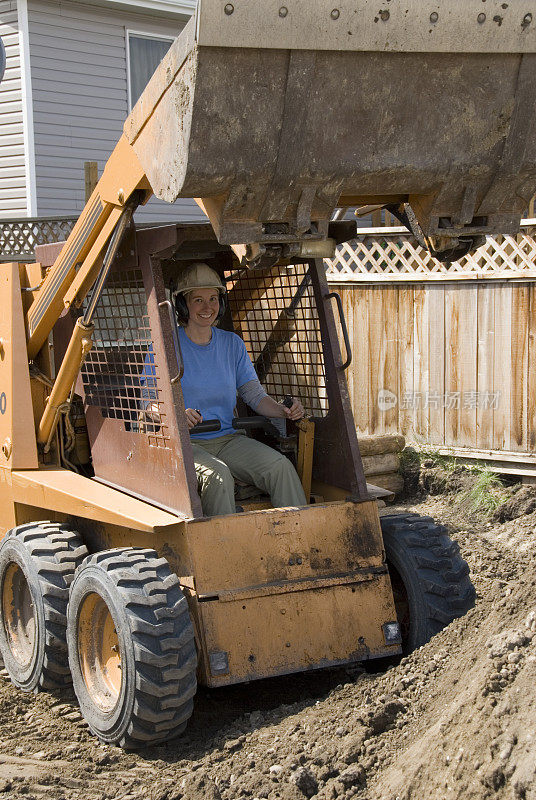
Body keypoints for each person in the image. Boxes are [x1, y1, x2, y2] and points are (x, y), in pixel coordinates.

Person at [145, 262, 308, 517]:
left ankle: (303, 543)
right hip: (184, 443)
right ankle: (224, 552)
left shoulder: (232, 344)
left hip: (228, 439)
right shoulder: (166, 346)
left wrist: (283, 411)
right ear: (181, 305)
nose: (207, 307)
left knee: (281, 467)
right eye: (197, 299)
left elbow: (254, 395)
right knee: (218, 475)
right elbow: (148, 402)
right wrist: (176, 413)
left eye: (212, 298)